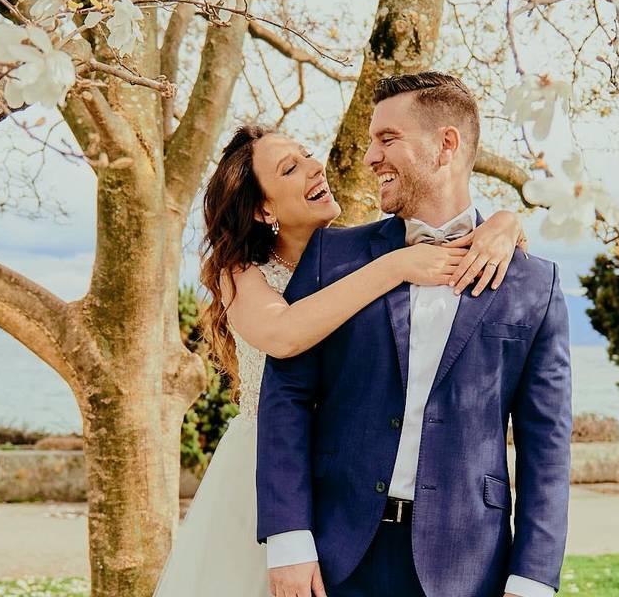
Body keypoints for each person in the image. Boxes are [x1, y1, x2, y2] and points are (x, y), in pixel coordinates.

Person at [151, 122, 530, 594]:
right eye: (290, 169)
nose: (313, 167)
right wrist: (395, 267)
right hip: (268, 473)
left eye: (307, 153)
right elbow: (284, 334)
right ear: (263, 207)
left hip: (347, 475)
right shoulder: (243, 275)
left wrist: (504, 222)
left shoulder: (357, 256)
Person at [256, 71, 572, 597]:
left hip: (468, 565)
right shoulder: (332, 257)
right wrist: (288, 538)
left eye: (388, 139)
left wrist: (533, 579)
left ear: (445, 144)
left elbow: (547, 445)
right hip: (336, 557)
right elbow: (286, 396)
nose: (369, 157)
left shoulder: (534, 285)